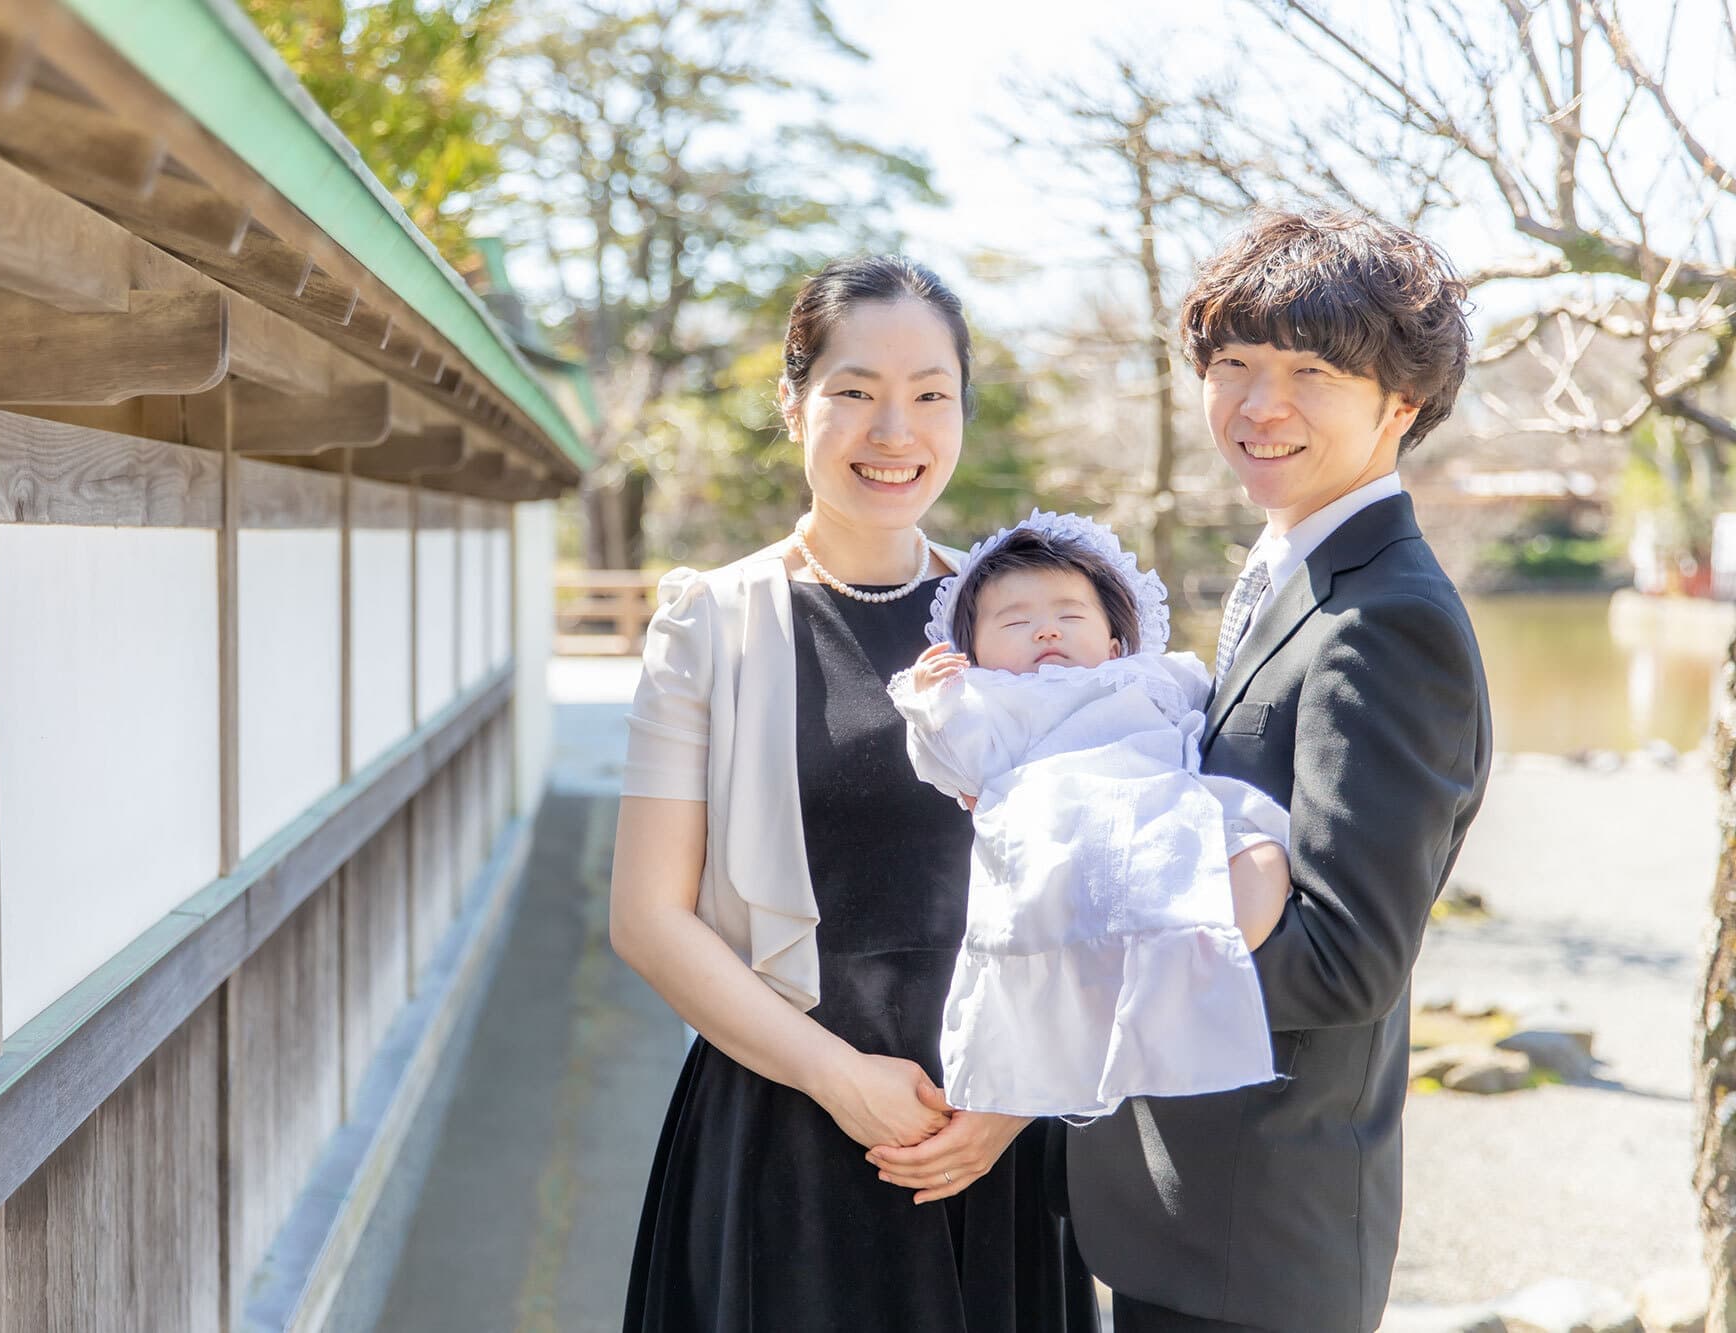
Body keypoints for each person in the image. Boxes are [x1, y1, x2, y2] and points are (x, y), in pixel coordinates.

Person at [610, 255, 1094, 1332]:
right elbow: (646, 918)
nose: (894, 431)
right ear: (794, 403)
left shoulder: (1022, 619)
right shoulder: (709, 625)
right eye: (855, 391)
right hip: (785, 1123)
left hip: (995, 1125)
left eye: (930, 394)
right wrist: (838, 1077)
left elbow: (1095, 889)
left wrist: (1015, 1102)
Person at [1056, 209, 1493, 1332]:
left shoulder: (1384, 619)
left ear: (1401, 403)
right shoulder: (1293, 569)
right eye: (1235, 366)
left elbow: (1344, 960)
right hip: (1195, 1221)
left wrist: (1086, 976)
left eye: (1311, 374)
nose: (1260, 406)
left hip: (1257, 1242)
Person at [885, 512, 1292, 1121]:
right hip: (1062, 828)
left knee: (1260, 850)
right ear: (974, 656)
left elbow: (1207, 719)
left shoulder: (1150, 674)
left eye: (1070, 616)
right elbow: (952, 764)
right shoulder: (993, 701)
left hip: (1163, 812)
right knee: (1064, 924)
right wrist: (931, 703)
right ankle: (1111, 1008)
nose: (1046, 630)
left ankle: (1195, 966)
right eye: (1015, 622)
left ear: (1114, 643)